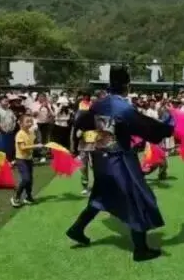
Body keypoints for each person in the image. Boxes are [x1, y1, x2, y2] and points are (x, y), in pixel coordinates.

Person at [66, 66, 174, 262]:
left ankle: (77, 229)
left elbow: (82, 123)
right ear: (127, 85)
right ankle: (140, 249)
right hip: (119, 158)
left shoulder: (98, 104)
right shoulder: (123, 108)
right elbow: (147, 128)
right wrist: (168, 125)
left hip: (100, 158)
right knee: (136, 197)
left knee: (100, 196)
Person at [12, 115, 41, 207]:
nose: (30, 123)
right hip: (21, 160)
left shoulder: (31, 132)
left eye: (31, 121)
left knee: (30, 180)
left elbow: (33, 142)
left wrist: (39, 145)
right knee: (26, 179)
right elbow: (22, 147)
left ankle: (28, 197)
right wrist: (36, 146)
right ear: (20, 123)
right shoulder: (19, 134)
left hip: (29, 159)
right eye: (27, 122)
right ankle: (16, 197)